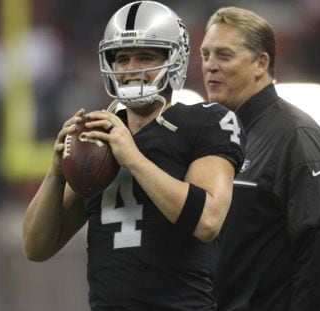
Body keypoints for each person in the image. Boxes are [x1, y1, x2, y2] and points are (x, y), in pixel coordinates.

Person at [22, 1, 245, 310]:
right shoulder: (99, 136)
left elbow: (208, 220)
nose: (131, 68)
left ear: (175, 60)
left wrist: (133, 159)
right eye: (122, 58)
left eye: (146, 56)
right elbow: (36, 247)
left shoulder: (205, 122)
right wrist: (56, 172)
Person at [200, 6, 320, 311]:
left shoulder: (296, 136)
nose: (209, 66)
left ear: (260, 63)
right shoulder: (215, 136)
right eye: (205, 55)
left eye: (224, 55)